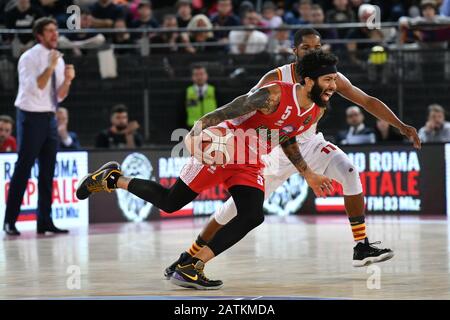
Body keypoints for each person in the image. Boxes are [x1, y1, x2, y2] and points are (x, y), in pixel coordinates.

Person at [163, 28, 421, 282]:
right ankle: (188, 256)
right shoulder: (274, 80)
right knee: (233, 211)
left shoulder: (329, 76)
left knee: (350, 172)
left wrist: (400, 125)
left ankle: (361, 246)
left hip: (309, 144)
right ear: (294, 50)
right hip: (274, 150)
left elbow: (366, 101)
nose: (312, 51)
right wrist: (219, 137)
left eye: (317, 47)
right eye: (306, 48)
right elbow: (245, 110)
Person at [76, 50, 339, 289]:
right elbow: (228, 109)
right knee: (170, 202)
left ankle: (191, 265)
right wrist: (195, 133)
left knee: (252, 215)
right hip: (222, 147)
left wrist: (308, 173)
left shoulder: (316, 111)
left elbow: (287, 136)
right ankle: (114, 179)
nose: (333, 86)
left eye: (334, 80)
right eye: (327, 80)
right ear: (307, 81)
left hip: (250, 160)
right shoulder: (274, 94)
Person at [3, 17, 75, 236]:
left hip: (49, 117)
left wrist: (68, 80)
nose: (55, 35)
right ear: (39, 35)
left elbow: (59, 96)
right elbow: (37, 88)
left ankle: (45, 221)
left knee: (48, 172)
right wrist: (51, 66)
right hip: (30, 116)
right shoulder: (29, 57)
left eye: (56, 30)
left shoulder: (59, 60)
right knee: (23, 169)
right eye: (50, 31)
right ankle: (10, 221)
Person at [184, 65, 218, 129]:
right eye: (196, 75)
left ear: (206, 75)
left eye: (201, 74)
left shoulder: (215, 91)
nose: (199, 77)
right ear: (192, 77)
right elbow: (182, 112)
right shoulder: (186, 92)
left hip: (212, 127)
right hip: (193, 127)